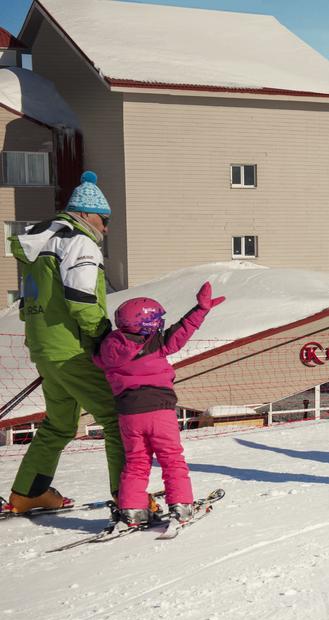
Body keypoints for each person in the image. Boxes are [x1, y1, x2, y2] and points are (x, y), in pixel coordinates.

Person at [2, 172, 126, 513]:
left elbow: (29, 303)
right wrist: (103, 340)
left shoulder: (37, 248)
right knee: (117, 417)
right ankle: (127, 498)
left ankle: (29, 492)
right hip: (74, 349)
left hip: (44, 346)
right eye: (104, 220)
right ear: (86, 214)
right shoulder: (78, 242)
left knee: (59, 424)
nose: (106, 228)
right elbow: (82, 299)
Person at [93, 283, 225, 525]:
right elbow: (180, 333)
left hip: (128, 414)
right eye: (156, 320)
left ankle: (133, 511)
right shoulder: (154, 343)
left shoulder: (107, 347)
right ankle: (182, 506)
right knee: (171, 458)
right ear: (146, 324)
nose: (159, 324)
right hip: (159, 410)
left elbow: (98, 359)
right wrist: (201, 309)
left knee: (136, 462)